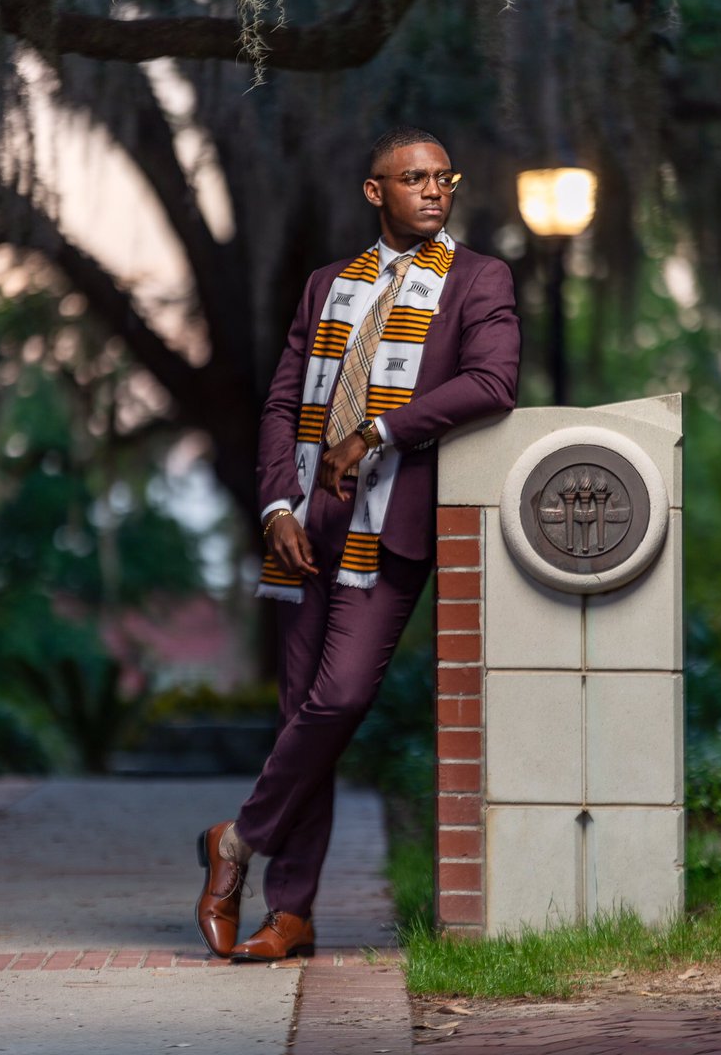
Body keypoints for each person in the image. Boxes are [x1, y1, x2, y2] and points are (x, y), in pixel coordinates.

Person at [195, 125, 520, 961]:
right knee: (301, 717)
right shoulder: (328, 285)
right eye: (413, 179)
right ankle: (291, 913)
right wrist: (275, 506)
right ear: (376, 192)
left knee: (337, 702)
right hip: (305, 524)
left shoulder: (477, 280)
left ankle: (235, 841)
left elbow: (492, 383)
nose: (434, 191)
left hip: (391, 521)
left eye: (444, 178)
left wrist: (374, 432)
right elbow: (278, 405)